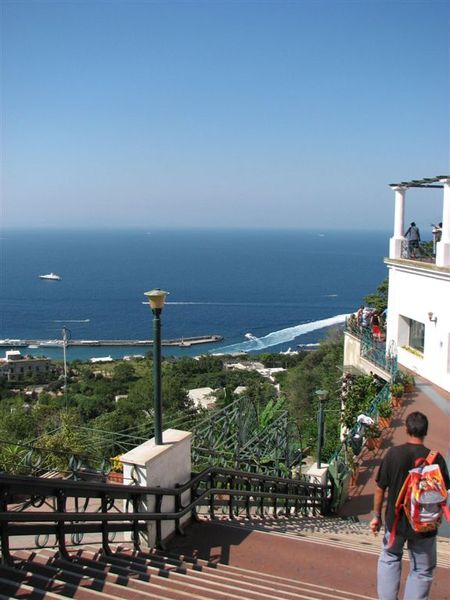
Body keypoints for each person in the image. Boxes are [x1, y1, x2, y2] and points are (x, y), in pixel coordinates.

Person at [370, 411, 450, 600]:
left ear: (406, 429)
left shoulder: (393, 454)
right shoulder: (436, 459)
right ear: (425, 432)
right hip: (424, 525)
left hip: (396, 522)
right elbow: (444, 491)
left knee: (390, 558)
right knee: (422, 570)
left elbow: (380, 488)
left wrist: (376, 517)